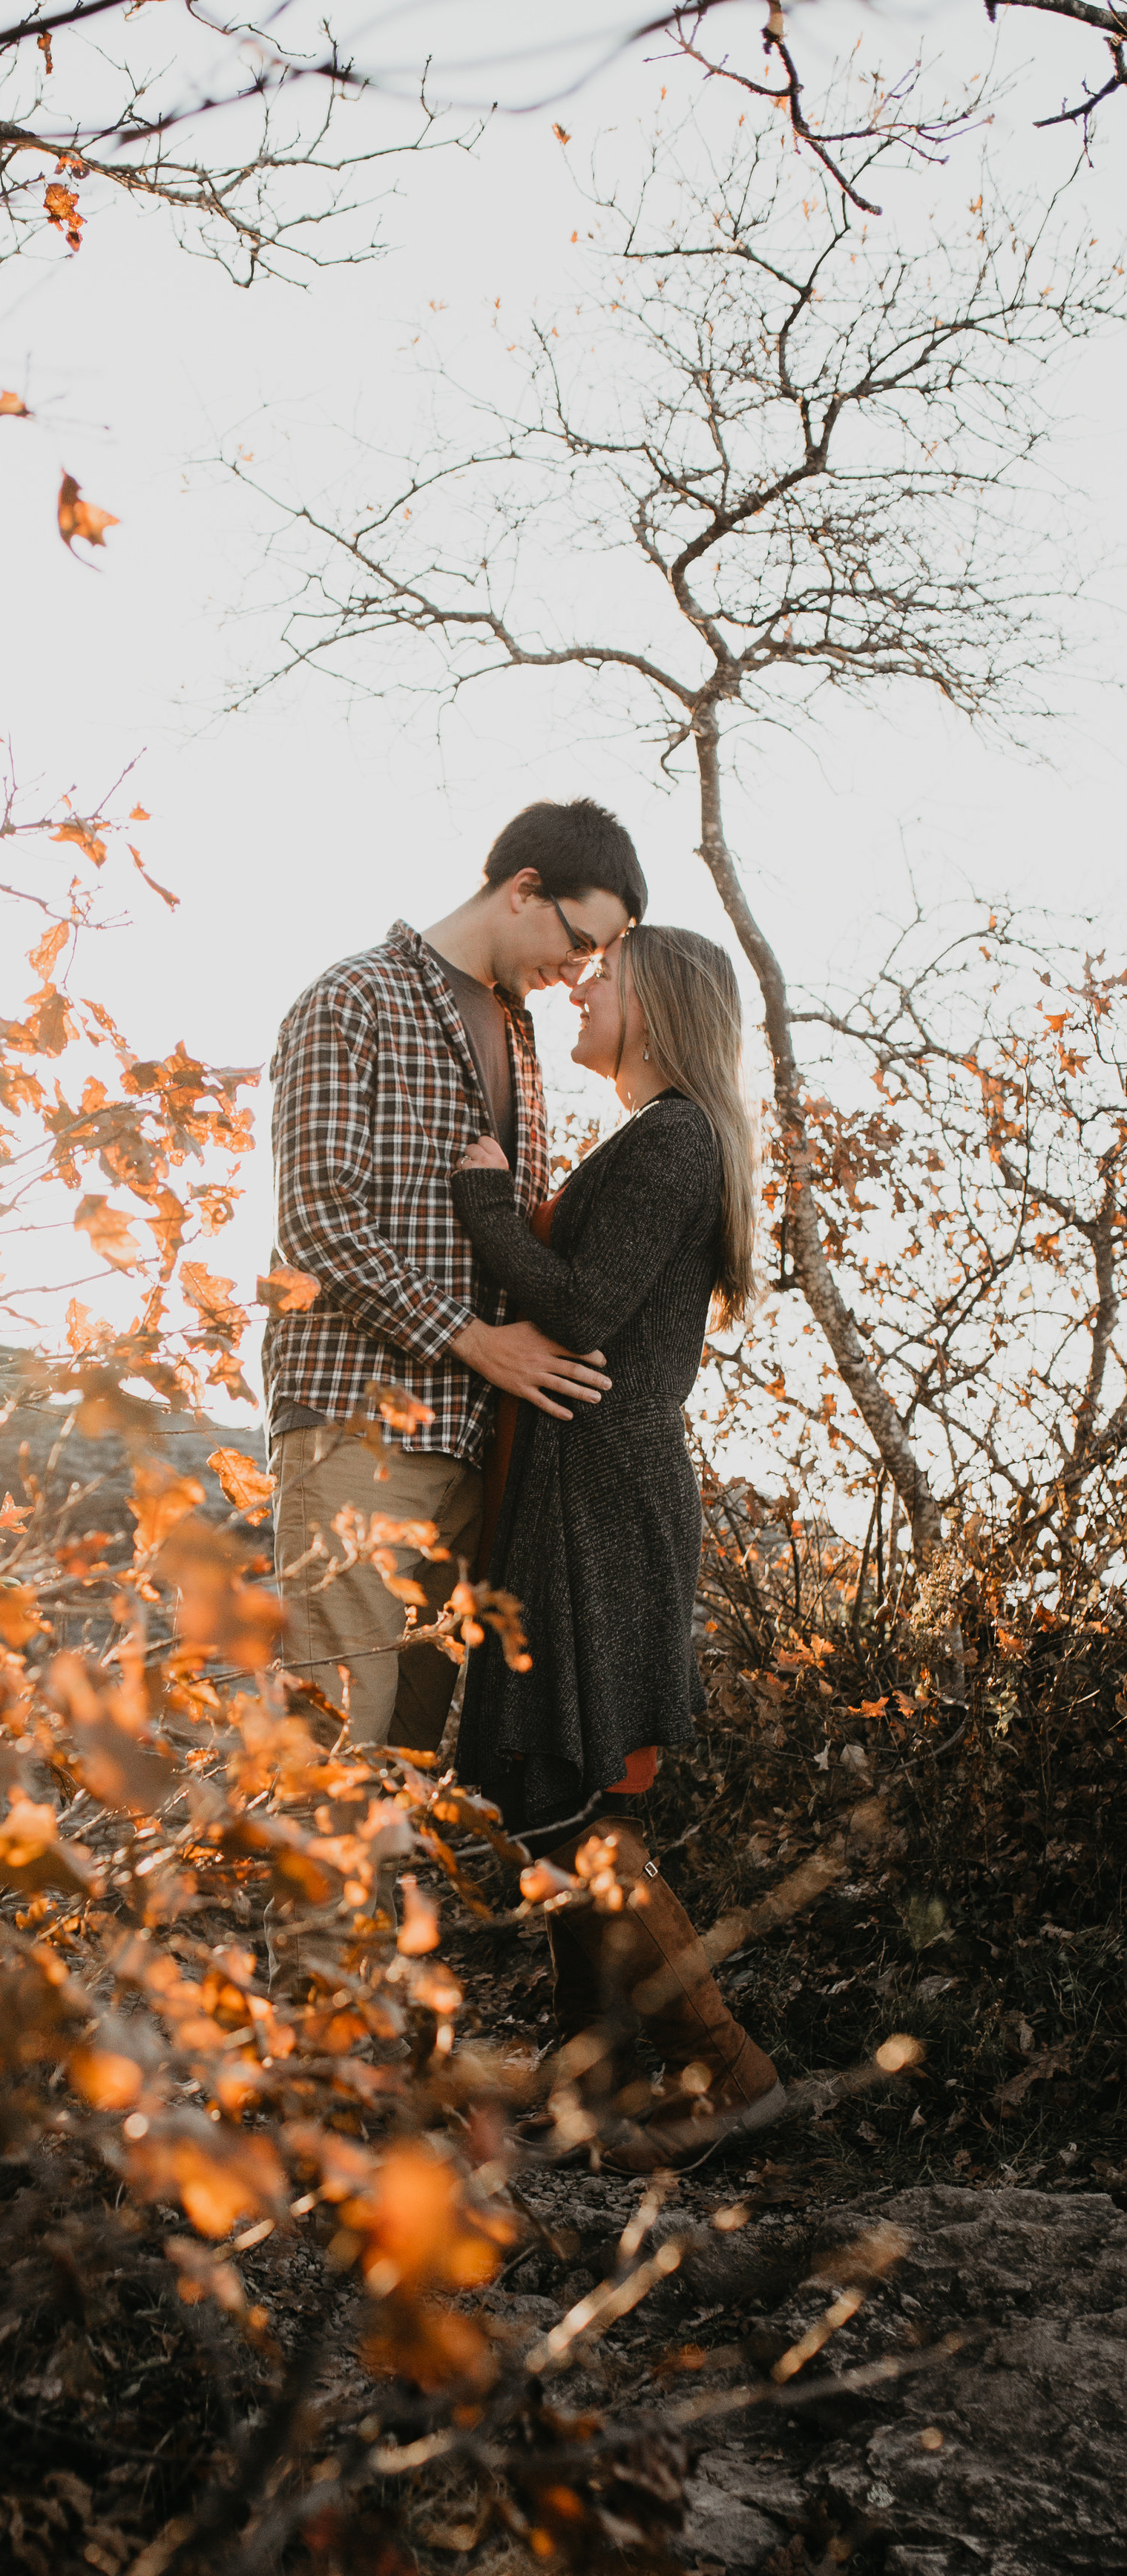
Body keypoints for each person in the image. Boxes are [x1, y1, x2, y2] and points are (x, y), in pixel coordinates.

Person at [450, 923, 783, 2169]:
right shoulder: (658, 1137)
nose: (582, 985)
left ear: (657, 1002)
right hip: (578, 1485)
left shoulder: (679, 1136)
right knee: (554, 1787)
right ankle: (591, 2078)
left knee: (573, 1792)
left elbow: (583, 1309)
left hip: (604, 1492)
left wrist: (485, 1194)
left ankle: (733, 2077)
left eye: (604, 975)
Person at [263, 798, 643, 1756]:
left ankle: (381, 1916)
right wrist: (479, 1342)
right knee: (330, 1749)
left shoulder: (520, 1037)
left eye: (596, 961)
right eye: (577, 942)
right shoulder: (352, 997)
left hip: (475, 1444)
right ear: (524, 890)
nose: (577, 974)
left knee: (405, 1756)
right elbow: (318, 1218)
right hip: (358, 1421)